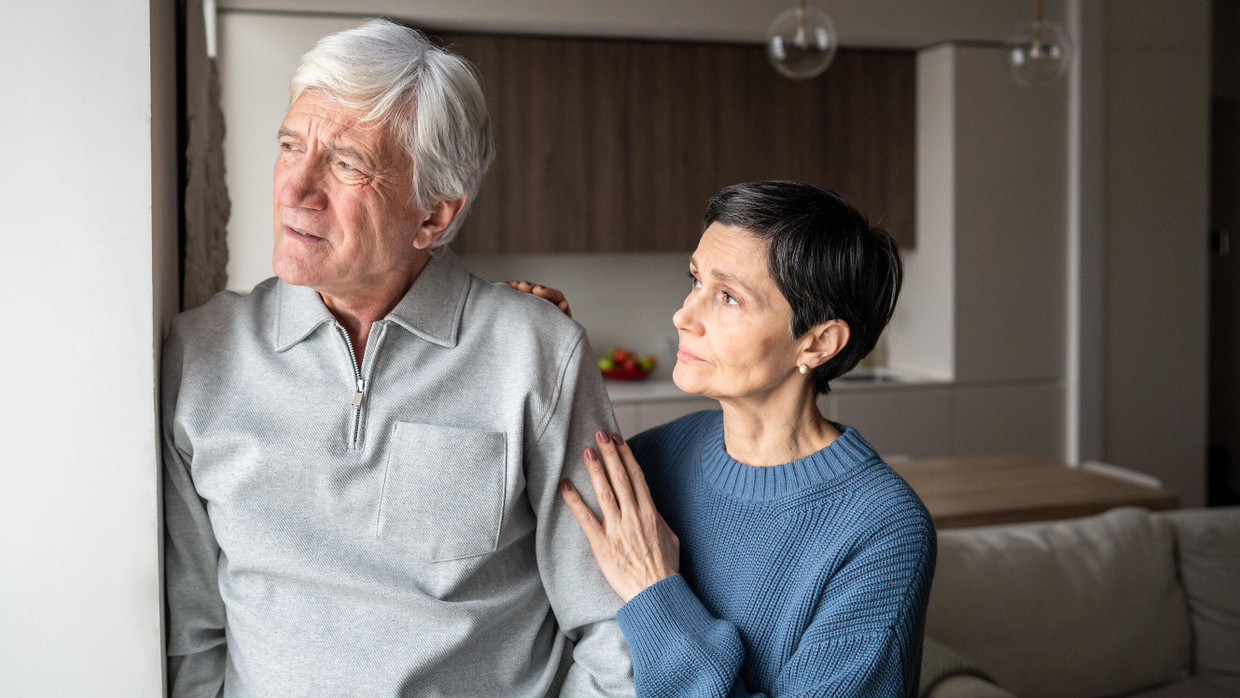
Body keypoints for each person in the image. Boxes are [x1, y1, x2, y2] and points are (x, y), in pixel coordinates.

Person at [161, 19, 634, 697]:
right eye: (291, 146)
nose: (296, 188)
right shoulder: (198, 354)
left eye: (347, 163)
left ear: (434, 217)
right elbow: (191, 637)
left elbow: (610, 620)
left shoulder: (536, 351)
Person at [535, 181, 935, 697]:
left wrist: (656, 591)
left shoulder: (883, 532)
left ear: (817, 343)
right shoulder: (656, 457)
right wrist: (534, 345)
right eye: (694, 280)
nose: (683, 316)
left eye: (727, 297)